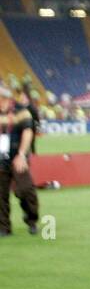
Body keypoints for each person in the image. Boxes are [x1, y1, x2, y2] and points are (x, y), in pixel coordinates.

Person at [0, 85, 39, 236]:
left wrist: (22, 154)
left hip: (17, 158)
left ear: (6, 98)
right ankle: (4, 227)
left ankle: (31, 219)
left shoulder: (21, 111)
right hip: (0, 160)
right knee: (1, 195)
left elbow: (28, 132)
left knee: (25, 189)